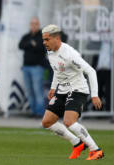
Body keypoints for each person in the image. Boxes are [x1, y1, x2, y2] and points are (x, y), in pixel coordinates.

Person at [41, 24, 104, 160]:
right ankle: (77, 143)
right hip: (62, 90)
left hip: (77, 89)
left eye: (46, 39)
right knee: (47, 122)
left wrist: (94, 95)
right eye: (43, 39)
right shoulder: (50, 51)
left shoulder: (70, 55)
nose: (44, 43)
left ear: (56, 38)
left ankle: (95, 150)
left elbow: (91, 71)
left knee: (69, 121)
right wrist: (53, 87)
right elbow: (57, 70)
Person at [19, 17, 47, 117]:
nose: (33, 26)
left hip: (37, 68)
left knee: (38, 91)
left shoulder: (42, 36)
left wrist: (31, 45)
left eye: (35, 24)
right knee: (29, 91)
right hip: (26, 67)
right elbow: (20, 45)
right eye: (32, 24)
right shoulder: (27, 36)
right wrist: (31, 44)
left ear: (38, 25)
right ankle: (33, 111)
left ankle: (40, 112)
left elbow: (41, 47)